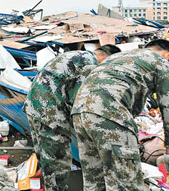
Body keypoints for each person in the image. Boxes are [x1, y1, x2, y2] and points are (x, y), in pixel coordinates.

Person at [71, 39, 169, 190]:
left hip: (80, 112)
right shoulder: (161, 63)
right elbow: (167, 108)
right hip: (109, 112)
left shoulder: (121, 57)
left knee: (95, 181)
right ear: (167, 55)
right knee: (126, 183)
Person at [23, 44, 121, 190]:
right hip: (50, 114)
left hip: (35, 107)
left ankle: (47, 185)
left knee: (46, 158)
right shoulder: (89, 64)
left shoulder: (78, 55)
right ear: (107, 58)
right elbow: (80, 100)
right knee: (58, 162)